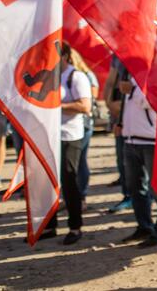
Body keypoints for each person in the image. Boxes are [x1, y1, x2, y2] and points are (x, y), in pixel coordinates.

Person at [119, 73, 157, 247]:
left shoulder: (156, 75)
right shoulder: (131, 75)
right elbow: (129, 106)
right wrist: (121, 123)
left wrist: (133, 89)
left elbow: (154, 101)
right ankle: (144, 226)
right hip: (130, 140)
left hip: (152, 141)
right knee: (135, 188)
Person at [45, 44, 92, 245]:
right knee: (48, 182)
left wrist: (57, 106)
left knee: (69, 182)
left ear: (64, 55)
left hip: (69, 136)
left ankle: (75, 227)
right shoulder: (49, 76)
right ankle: (49, 225)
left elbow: (85, 106)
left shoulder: (77, 77)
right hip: (49, 136)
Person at [70, 52, 99, 208]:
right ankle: (71, 196)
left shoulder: (86, 75)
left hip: (84, 123)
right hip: (69, 125)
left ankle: (81, 197)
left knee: (80, 161)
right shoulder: (60, 76)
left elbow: (91, 100)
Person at [104, 55, 132, 213]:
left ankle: (143, 198)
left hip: (139, 114)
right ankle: (128, 196)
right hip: (118, 113)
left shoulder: (145, 48)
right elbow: (110, 82)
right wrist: (108, 103)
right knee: (122, 159)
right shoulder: (117, 55)